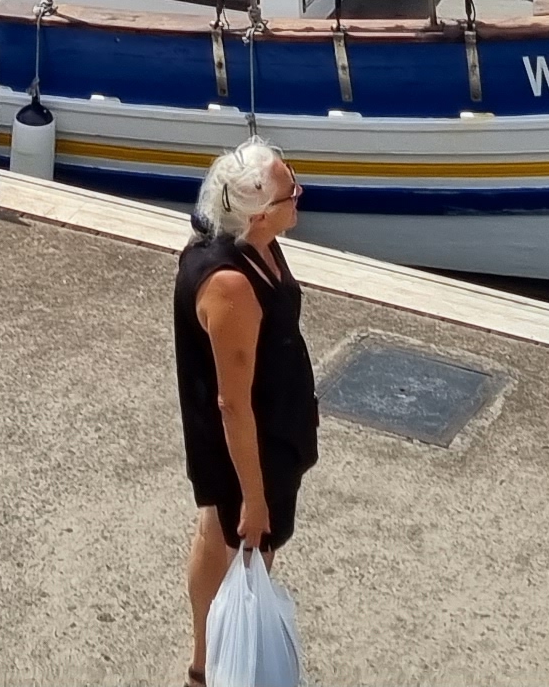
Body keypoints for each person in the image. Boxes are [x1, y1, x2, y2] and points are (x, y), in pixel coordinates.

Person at [177, 138, 318, 686]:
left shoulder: (253, 243)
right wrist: (255, 497)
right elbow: (233, 402)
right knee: (244, 538)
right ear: (259, 215)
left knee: (219, 534)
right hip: (248, 448)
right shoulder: (231, 283)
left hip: (268, 433)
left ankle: (207, 668)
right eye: (289, 193)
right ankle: (215, 668)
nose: (299, 195)